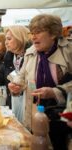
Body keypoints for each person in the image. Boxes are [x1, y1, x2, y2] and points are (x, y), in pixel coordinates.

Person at [8, 14, 72, 150]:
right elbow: (22, 75)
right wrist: (16, 85)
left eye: (38, 32)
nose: (33, 37)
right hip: (35, 111)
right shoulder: (30, 52)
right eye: (32, 33)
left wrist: (55, 92)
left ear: (53, 34)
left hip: (63, 115)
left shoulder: (69, 51)